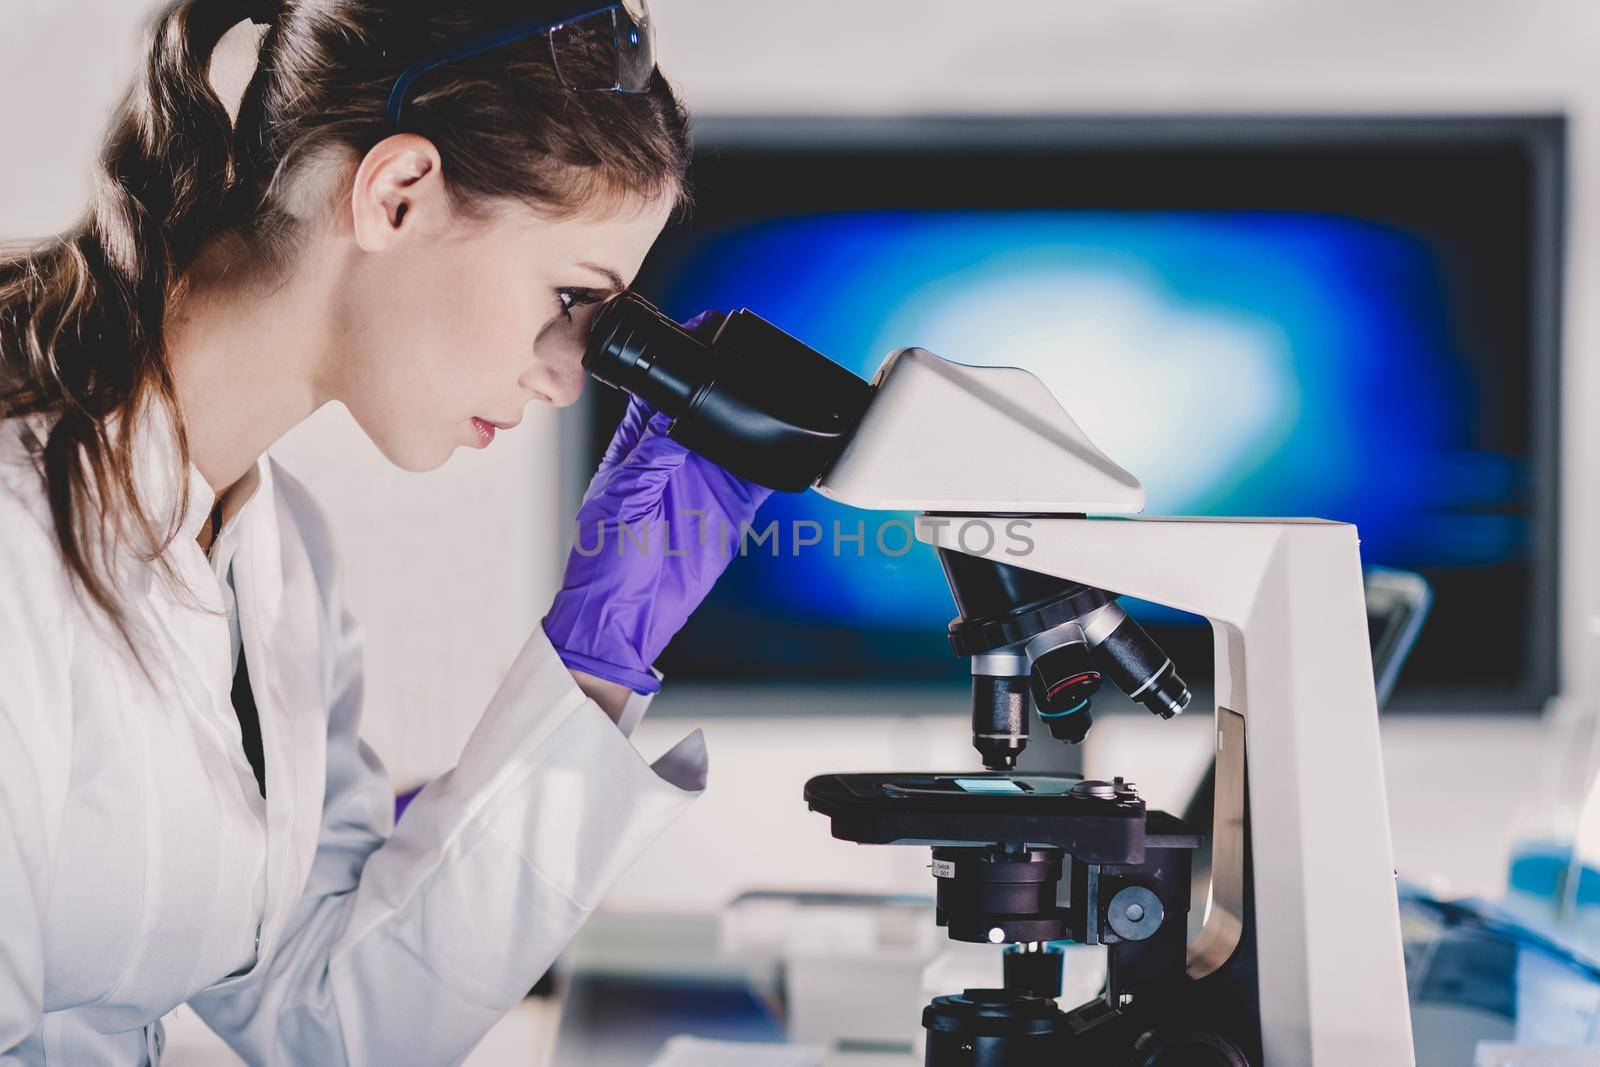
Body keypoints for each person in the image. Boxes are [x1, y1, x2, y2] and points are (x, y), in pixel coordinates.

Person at [0, 1, 770, 1063]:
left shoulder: (278, 556)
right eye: (568, 297)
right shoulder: (15, 542)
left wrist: (599, 648)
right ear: (395, 195)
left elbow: (332, 1017)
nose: (562, 375)